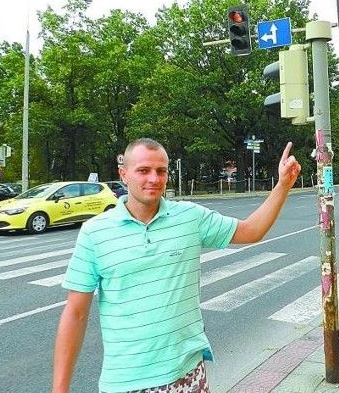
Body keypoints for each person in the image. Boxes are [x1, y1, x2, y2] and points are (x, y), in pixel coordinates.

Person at [52, 138, 301, 393]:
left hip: (188, 375)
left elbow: (251, 231)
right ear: (123, 174)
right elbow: (75, 313)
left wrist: (283, 185)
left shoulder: (190, 217)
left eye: (161, 171)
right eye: (143, 170)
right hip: (126, 383)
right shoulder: (95, 233)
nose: (154, 179)